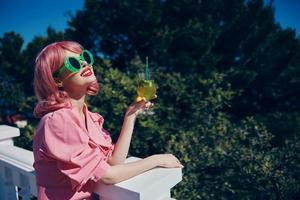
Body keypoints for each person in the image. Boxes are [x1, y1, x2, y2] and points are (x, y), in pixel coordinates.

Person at [32, 41, 183, 200]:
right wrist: (156, 160)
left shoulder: (88, 117)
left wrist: (130, 115)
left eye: (85, 57)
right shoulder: (58, 120)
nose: (84, 63)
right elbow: (108, 176)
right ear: (57, 80)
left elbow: (113, 162)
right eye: (74, 63)